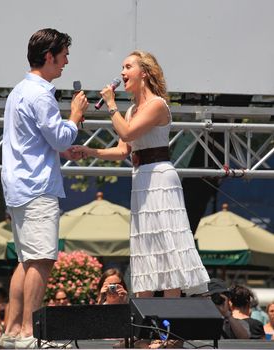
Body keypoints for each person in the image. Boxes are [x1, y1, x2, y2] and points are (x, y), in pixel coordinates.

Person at [72, 50, 209, 298]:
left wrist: (111, 104)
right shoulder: (131, 110)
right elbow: (123, 150)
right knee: (145, 246)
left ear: (144, 72)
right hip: (142, 177)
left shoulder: (156, 105)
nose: (122, 73)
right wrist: (90, 150)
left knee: (167, 246)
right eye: (122, 68)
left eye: (127, 67)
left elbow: (127, 134)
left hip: (160, 176)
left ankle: (171, 329)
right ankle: (144, 327)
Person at [0, 27, 88, 349]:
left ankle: (12, 331)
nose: (66, 62)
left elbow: (44, 141)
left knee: (27, 260)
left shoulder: (20, 90)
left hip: (20, 183)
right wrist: (75, 117)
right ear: (49, 56)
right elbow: (60, 137)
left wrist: (63, 142)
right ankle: (28, 333)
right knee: (41, 259)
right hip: (36, 185)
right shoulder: (40, 93)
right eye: (63, 55)